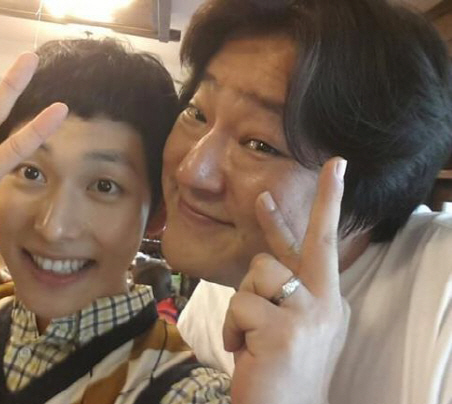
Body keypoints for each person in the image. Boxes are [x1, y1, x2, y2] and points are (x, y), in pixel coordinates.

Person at [159, 0, 452, 403]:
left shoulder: (442, 296)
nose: (191, 171)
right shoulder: (222, 288)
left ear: (371, 194)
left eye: (259, 144)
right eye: (197, 113)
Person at [0, 38, 231, 404]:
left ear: (157, 213)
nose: (54, 228)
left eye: (104, 186)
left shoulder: (182, 391)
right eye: (31, 172)